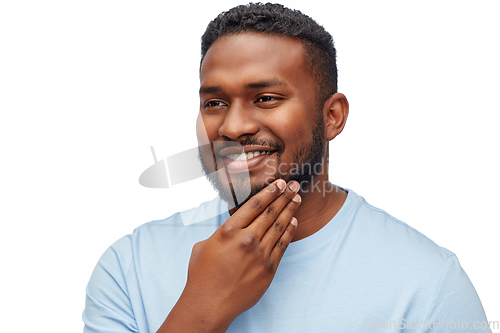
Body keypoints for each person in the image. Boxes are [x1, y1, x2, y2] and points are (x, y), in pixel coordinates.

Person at [83, 3, 491, 332]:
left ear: (332, 116)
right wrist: (202, 308)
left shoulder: (428, 283)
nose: (233, 127)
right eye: (214, 103)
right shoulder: (130, 266)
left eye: (266, 98)